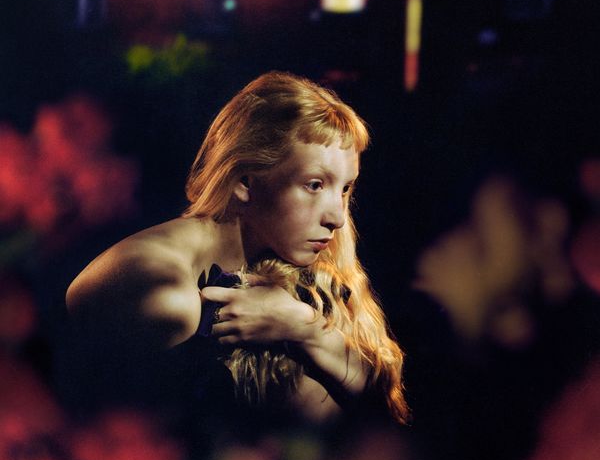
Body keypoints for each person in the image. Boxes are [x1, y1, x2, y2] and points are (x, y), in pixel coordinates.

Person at [66, 71, 408, 428]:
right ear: (245, 182)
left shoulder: (298, 266)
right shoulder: (168, 294)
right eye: (314, 185)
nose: (337, 217)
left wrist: (303, 328)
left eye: (345, 188)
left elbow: (380, 418)